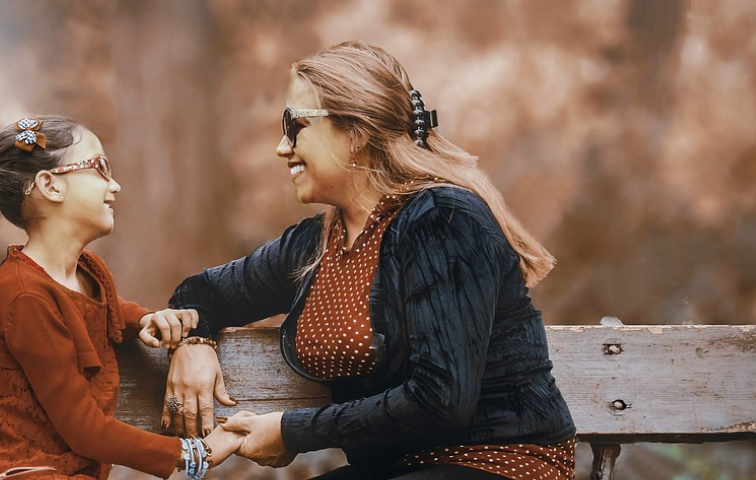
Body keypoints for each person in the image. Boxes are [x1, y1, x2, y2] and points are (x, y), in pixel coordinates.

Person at [162, 42, 577, 480]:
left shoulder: (443, 219)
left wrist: (291, 431)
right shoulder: (318, 242)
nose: (281, 148)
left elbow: (441, 400)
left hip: (497, 461)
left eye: (295, 125)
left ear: (356, 132)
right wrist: (194, 344)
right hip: (396, 467)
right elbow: (202, 291)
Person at [0, 116, 243, 480]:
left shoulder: (87, 270)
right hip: (19, 473)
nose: (115, 185)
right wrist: (196, 453)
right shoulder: (22, 296)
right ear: (50, 185)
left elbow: (101, 311)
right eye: (100, 168)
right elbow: (86, 430)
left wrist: (146, 319)